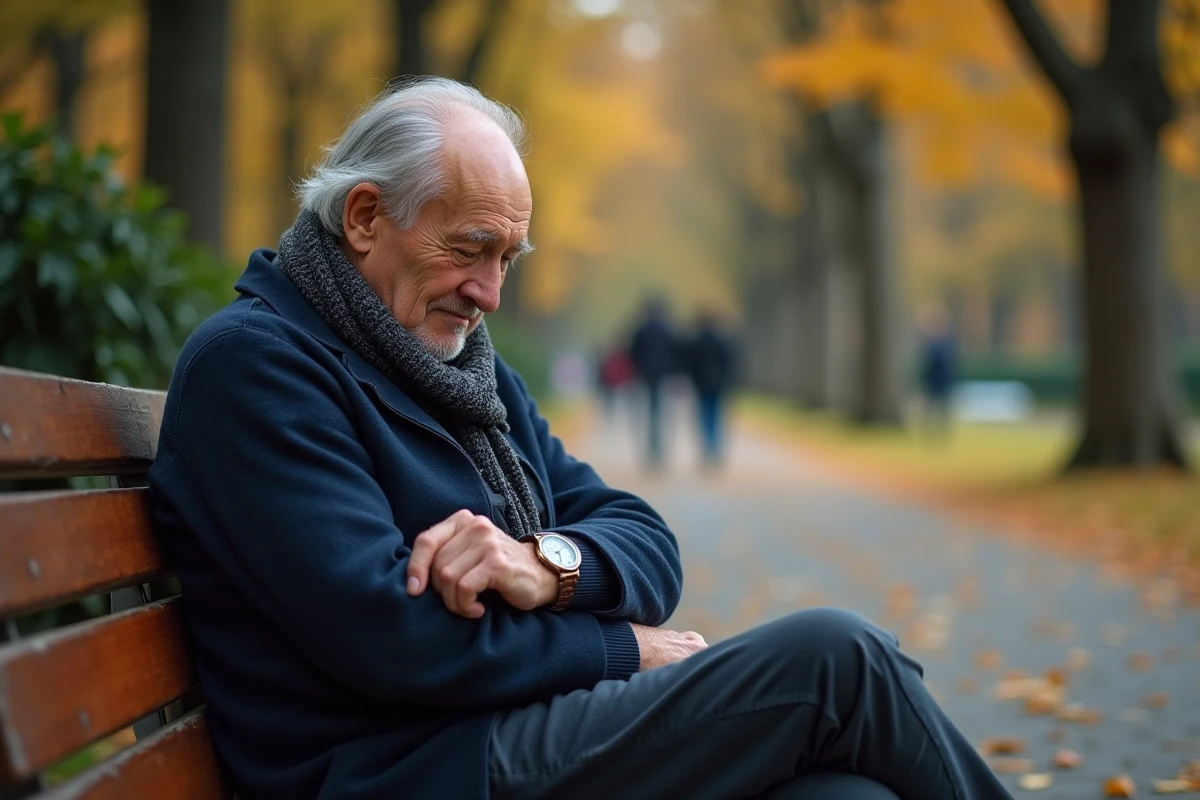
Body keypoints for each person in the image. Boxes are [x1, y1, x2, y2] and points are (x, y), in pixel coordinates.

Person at [148, 78, 1013, 800]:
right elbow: (396, 638)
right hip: (402, 770)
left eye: (508, 259)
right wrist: (621, 647)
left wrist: (545, 566)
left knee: (847, 796)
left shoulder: (460, 373)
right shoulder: (257, 367)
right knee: (837, 658)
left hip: (480, 734)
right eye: (470, 249)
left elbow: (646, 541)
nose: (488, 292)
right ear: (367, 217)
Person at [683, 309, 738, 466]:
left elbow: (690, 363)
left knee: (703, 417)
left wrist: (693, 379)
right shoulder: (722, 340)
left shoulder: (696, 341)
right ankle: (714, 448)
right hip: (718, 384)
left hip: (701, 384)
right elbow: (729, 362)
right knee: (716, 416)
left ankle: (706, 448)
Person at [628, 296, 677, 468]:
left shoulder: (641, 330)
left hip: (645, 375)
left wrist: (638, 368)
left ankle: (650, 450)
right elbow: (674, 351)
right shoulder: (668, 330)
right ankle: (660, 449)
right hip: (663, 375)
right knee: (662, 413)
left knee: (647, 413)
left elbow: (633, 352)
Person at [918, 304, 957, 441]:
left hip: (943, 382)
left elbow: (951, 364)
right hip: (932, 383)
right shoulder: (929, 343)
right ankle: (928, 434)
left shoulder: (946, 343)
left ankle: (941, 435)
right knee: (929, 410)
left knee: (942, 411)